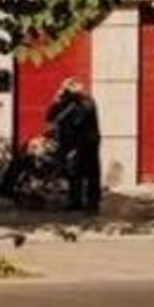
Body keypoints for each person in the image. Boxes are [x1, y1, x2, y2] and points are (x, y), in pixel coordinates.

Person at [47, 78, 102, 213]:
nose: (66, 91)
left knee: (91, 173)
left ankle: (92, 204)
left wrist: (68, 103)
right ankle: (75, 201)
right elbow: (50, 117)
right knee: (74, 173)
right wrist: (57, 98)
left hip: (87, 142)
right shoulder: (66, 102)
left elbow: (78, 120)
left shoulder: (86, 101)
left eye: (68, 88)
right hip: (72, 142)